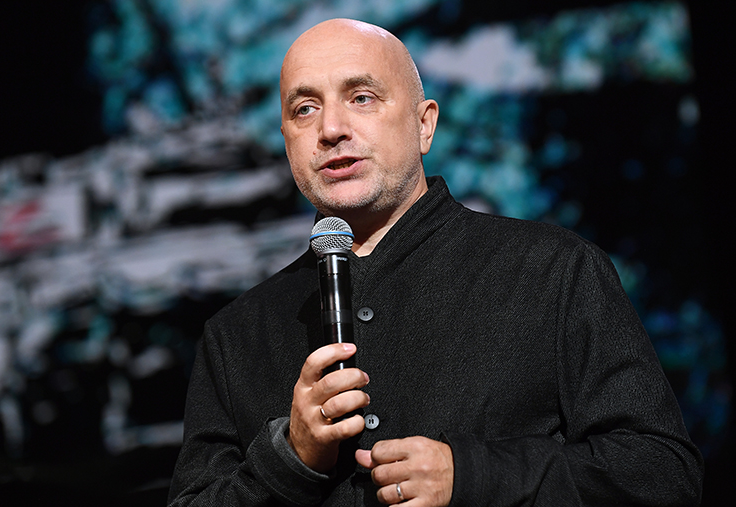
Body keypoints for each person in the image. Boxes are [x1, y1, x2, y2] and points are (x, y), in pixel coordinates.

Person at [168, 18, 703, 507]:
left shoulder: (552, 271)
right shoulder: (235, 336)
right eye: (304, 108)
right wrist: (289, 459)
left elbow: (662, 475)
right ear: (286, 139)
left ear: (424, 125)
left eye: (361, 97)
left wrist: (472, 475)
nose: (330, 128)